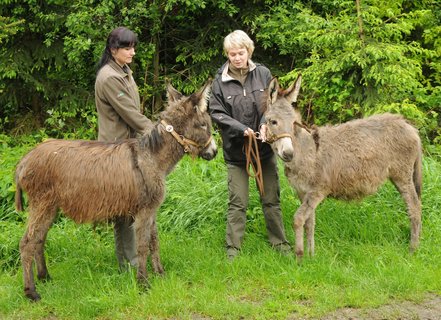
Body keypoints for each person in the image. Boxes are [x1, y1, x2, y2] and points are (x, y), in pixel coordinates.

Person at [208, 30, 291, 260]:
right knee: (238, 202)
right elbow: (216, 111)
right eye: (232, 54)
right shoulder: (219, 82)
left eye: (240, 53)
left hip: (264, 149)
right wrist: (239, 128)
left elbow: (272, 105)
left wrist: (265, 124)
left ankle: (280, 244)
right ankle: (233, 249)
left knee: (271, 199)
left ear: (249, 51)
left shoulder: (263, 74)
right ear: (227, 54)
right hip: (237, 151)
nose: (236, 57)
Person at [95, 27, 154, 270]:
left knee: (132, 204)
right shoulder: (109, 77)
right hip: (114, 150)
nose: (133, 52)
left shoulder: (124, 72)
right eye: (127, 48)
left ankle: (134, 259)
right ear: (113, 50)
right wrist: (158, 132)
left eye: (133, 47)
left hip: (129, 148)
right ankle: (128, 264)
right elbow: (130, 114)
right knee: (123, 208)